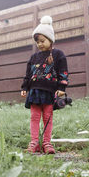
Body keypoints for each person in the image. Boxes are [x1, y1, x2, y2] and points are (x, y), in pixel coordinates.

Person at [21, 15, 69, 154]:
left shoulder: (58, 54)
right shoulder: (33, 57)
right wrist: (25, 87)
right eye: (37, 42)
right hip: (35, 92)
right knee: (34, 117)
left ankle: (47, 143)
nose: (40, 44)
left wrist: (62, 87)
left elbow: (63, 71)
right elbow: (28, 74)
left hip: (49, 92)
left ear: (51, 40)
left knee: (47, 117)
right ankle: (34, 142)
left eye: (43, 41)